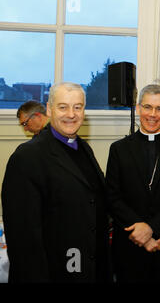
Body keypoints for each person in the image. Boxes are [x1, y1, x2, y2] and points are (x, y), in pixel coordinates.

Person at [1, 82, 111, 282]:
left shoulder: (84, 148)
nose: (71, 114)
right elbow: (23, 238)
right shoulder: (27, 157)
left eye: (77, 107)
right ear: (50, 110)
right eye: (63, 107)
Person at [105, 84, 160, 282]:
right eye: (147, 107)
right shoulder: (119, 149)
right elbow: (112, 196)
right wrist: (141, 233)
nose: (152, 114)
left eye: (159, 108)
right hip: (130, 246)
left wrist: (152, 229)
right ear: (138, 109)